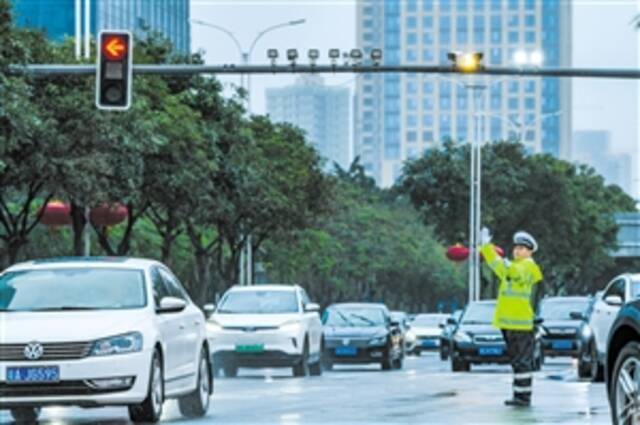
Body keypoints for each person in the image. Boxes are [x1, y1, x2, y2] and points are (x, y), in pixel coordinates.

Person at [480, 228, 543, 407]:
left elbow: (512, 271)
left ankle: (523, 397)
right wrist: (486, 247)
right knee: (517, 362)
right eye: (516, 247)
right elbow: (496, 265)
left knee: (522, 363)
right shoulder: (513, 267)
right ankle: (518, 395)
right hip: (509, 324)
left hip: (522, 324)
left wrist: (498, 257)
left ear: (530, 251)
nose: (517, 251)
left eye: (522, 248)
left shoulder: (529, 267)